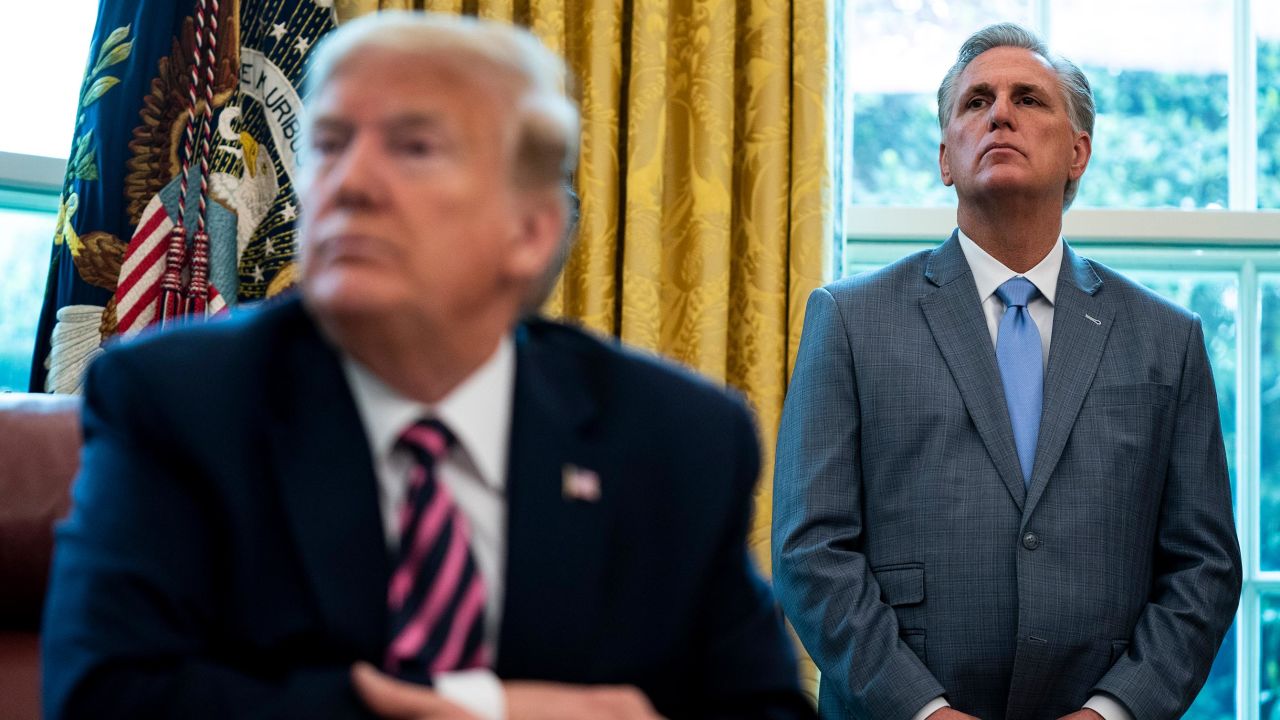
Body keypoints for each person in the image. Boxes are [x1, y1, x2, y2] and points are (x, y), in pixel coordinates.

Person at [42, 12, 814, 720]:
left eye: (415, 147)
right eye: (331, 145)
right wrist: (476, 711)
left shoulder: (670, 438)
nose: (351, 183)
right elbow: (105, 698)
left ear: (531, 231)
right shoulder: (180, 400)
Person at [771, 22, 1241, 720]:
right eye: (975, 102)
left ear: (1078, 152)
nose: (999, 113)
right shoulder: (848, 319)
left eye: (1028, 98)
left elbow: (1204, 568)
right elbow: (812, 550)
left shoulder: (1165, 339)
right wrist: (923, 711)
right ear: (944, 158)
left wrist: (1114, 710)